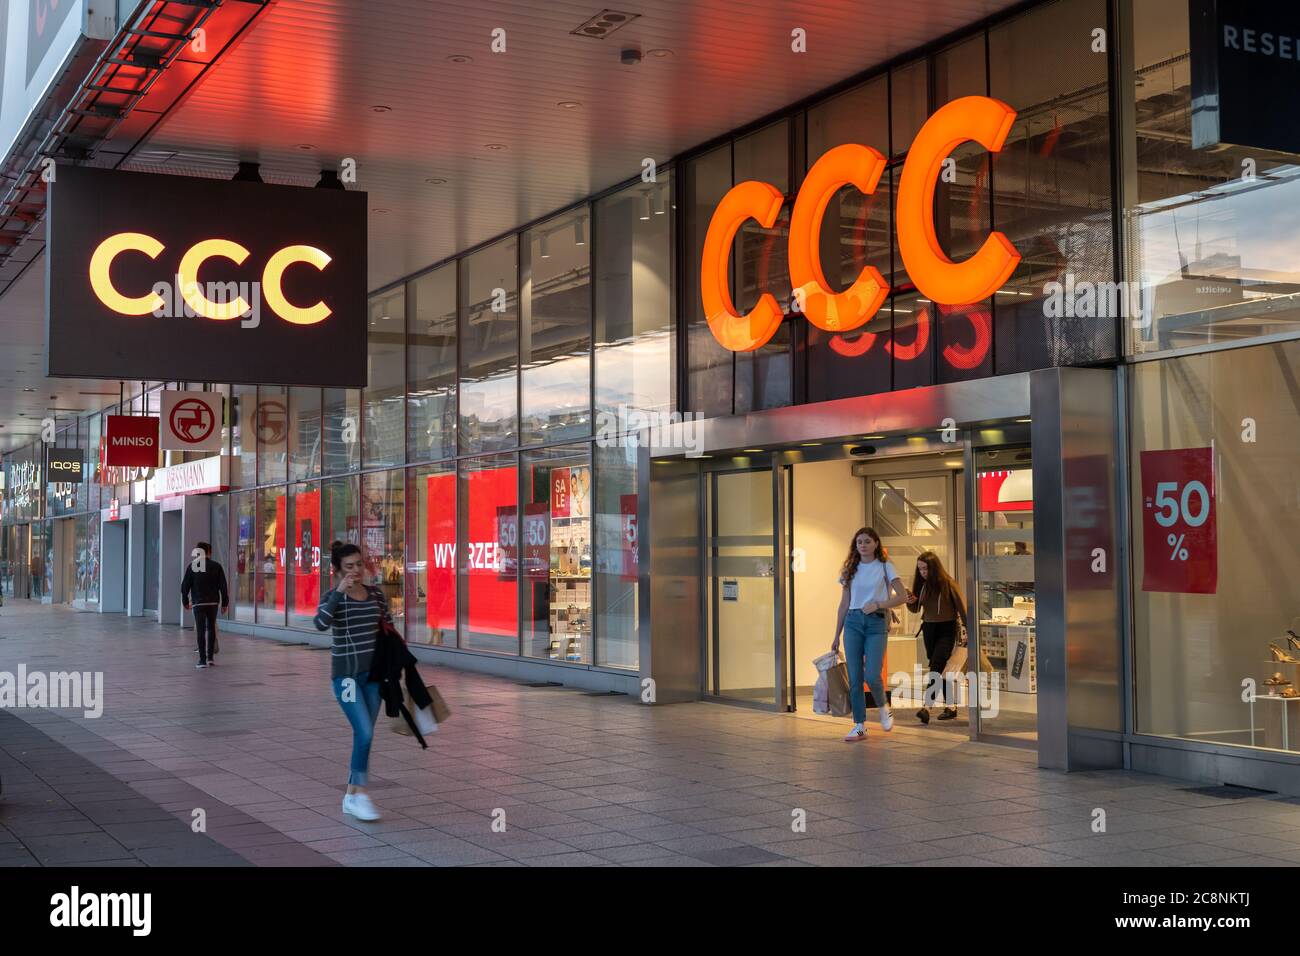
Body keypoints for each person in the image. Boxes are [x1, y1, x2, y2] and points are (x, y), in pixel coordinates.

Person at [315, 541, 388, 822]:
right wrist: (337, 594)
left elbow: (387, 628)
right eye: (349, 567)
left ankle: (351, 794)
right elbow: (320, 624)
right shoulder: (333, 596)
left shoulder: (375, 595)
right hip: (345, 676)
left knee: (364, 734)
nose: (356, 570)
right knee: (365, 732)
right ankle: (360, 795)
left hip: (373, 676)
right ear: (337, 570)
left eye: (359, 564)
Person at [831, 527, 908, 742]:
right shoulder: (850, 570)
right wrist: (836, 635)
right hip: (852, 622)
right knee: (854, 679)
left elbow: (902, 596)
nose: (863, 545)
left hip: (876, 622)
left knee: (872, 674)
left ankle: (883, 707)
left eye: (867, 541)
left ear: (876, 543)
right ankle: (859, 725)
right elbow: (844, 603)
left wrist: (879, 604)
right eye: (859, 542)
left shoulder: (885, 566)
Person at [906, 551, 969, 724]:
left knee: (936, 665)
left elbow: (963, 609)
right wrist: (910, 600)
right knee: (938, 668)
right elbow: (915, 609)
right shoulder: (922, 585)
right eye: (920, 569)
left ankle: (927, 706)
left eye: (926, 568)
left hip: (947, 628)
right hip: (928, 628)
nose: (923, 572)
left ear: (934, 568)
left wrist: (968, 630)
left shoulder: (948, 584)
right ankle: (951, 707)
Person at [181, 542, 229, 669]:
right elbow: (223, 586)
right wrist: (225, 603)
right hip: (213, 603)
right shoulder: (216, 566)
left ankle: (202, 660)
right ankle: (211, 658)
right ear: (209, 552)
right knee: (211, 628)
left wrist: (185, 602)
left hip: (198, 603)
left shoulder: (192, 566)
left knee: (201, 630)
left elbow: (184, 586)